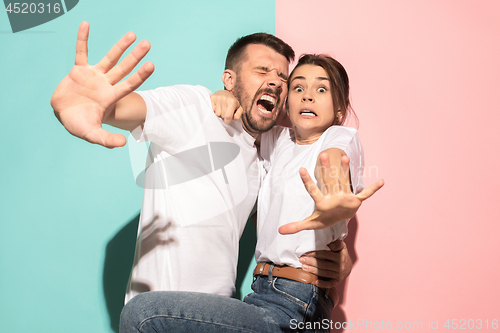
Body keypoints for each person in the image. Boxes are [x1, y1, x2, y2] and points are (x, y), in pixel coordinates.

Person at [51, 22, 353, 307]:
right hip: (159, 312)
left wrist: (340, 257)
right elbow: (123, 108)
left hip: (216, 314)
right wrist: (90, 104)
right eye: (262, 70)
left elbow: (290, 219)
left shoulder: (264, 159)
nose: (275, 81)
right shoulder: (194, 106)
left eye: (283, 78)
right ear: (229, 80)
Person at [119, 55, 384, 332]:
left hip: (297, 302)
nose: (307, 97)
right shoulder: (277, 140)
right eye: (298, 88)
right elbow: (247, 120)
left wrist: (334, 198)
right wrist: (224, 96)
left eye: (321, 89)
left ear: (340, 107)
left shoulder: (340, 137)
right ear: (287, 103)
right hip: (261, 295)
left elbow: (332, 160)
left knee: (143, 314)